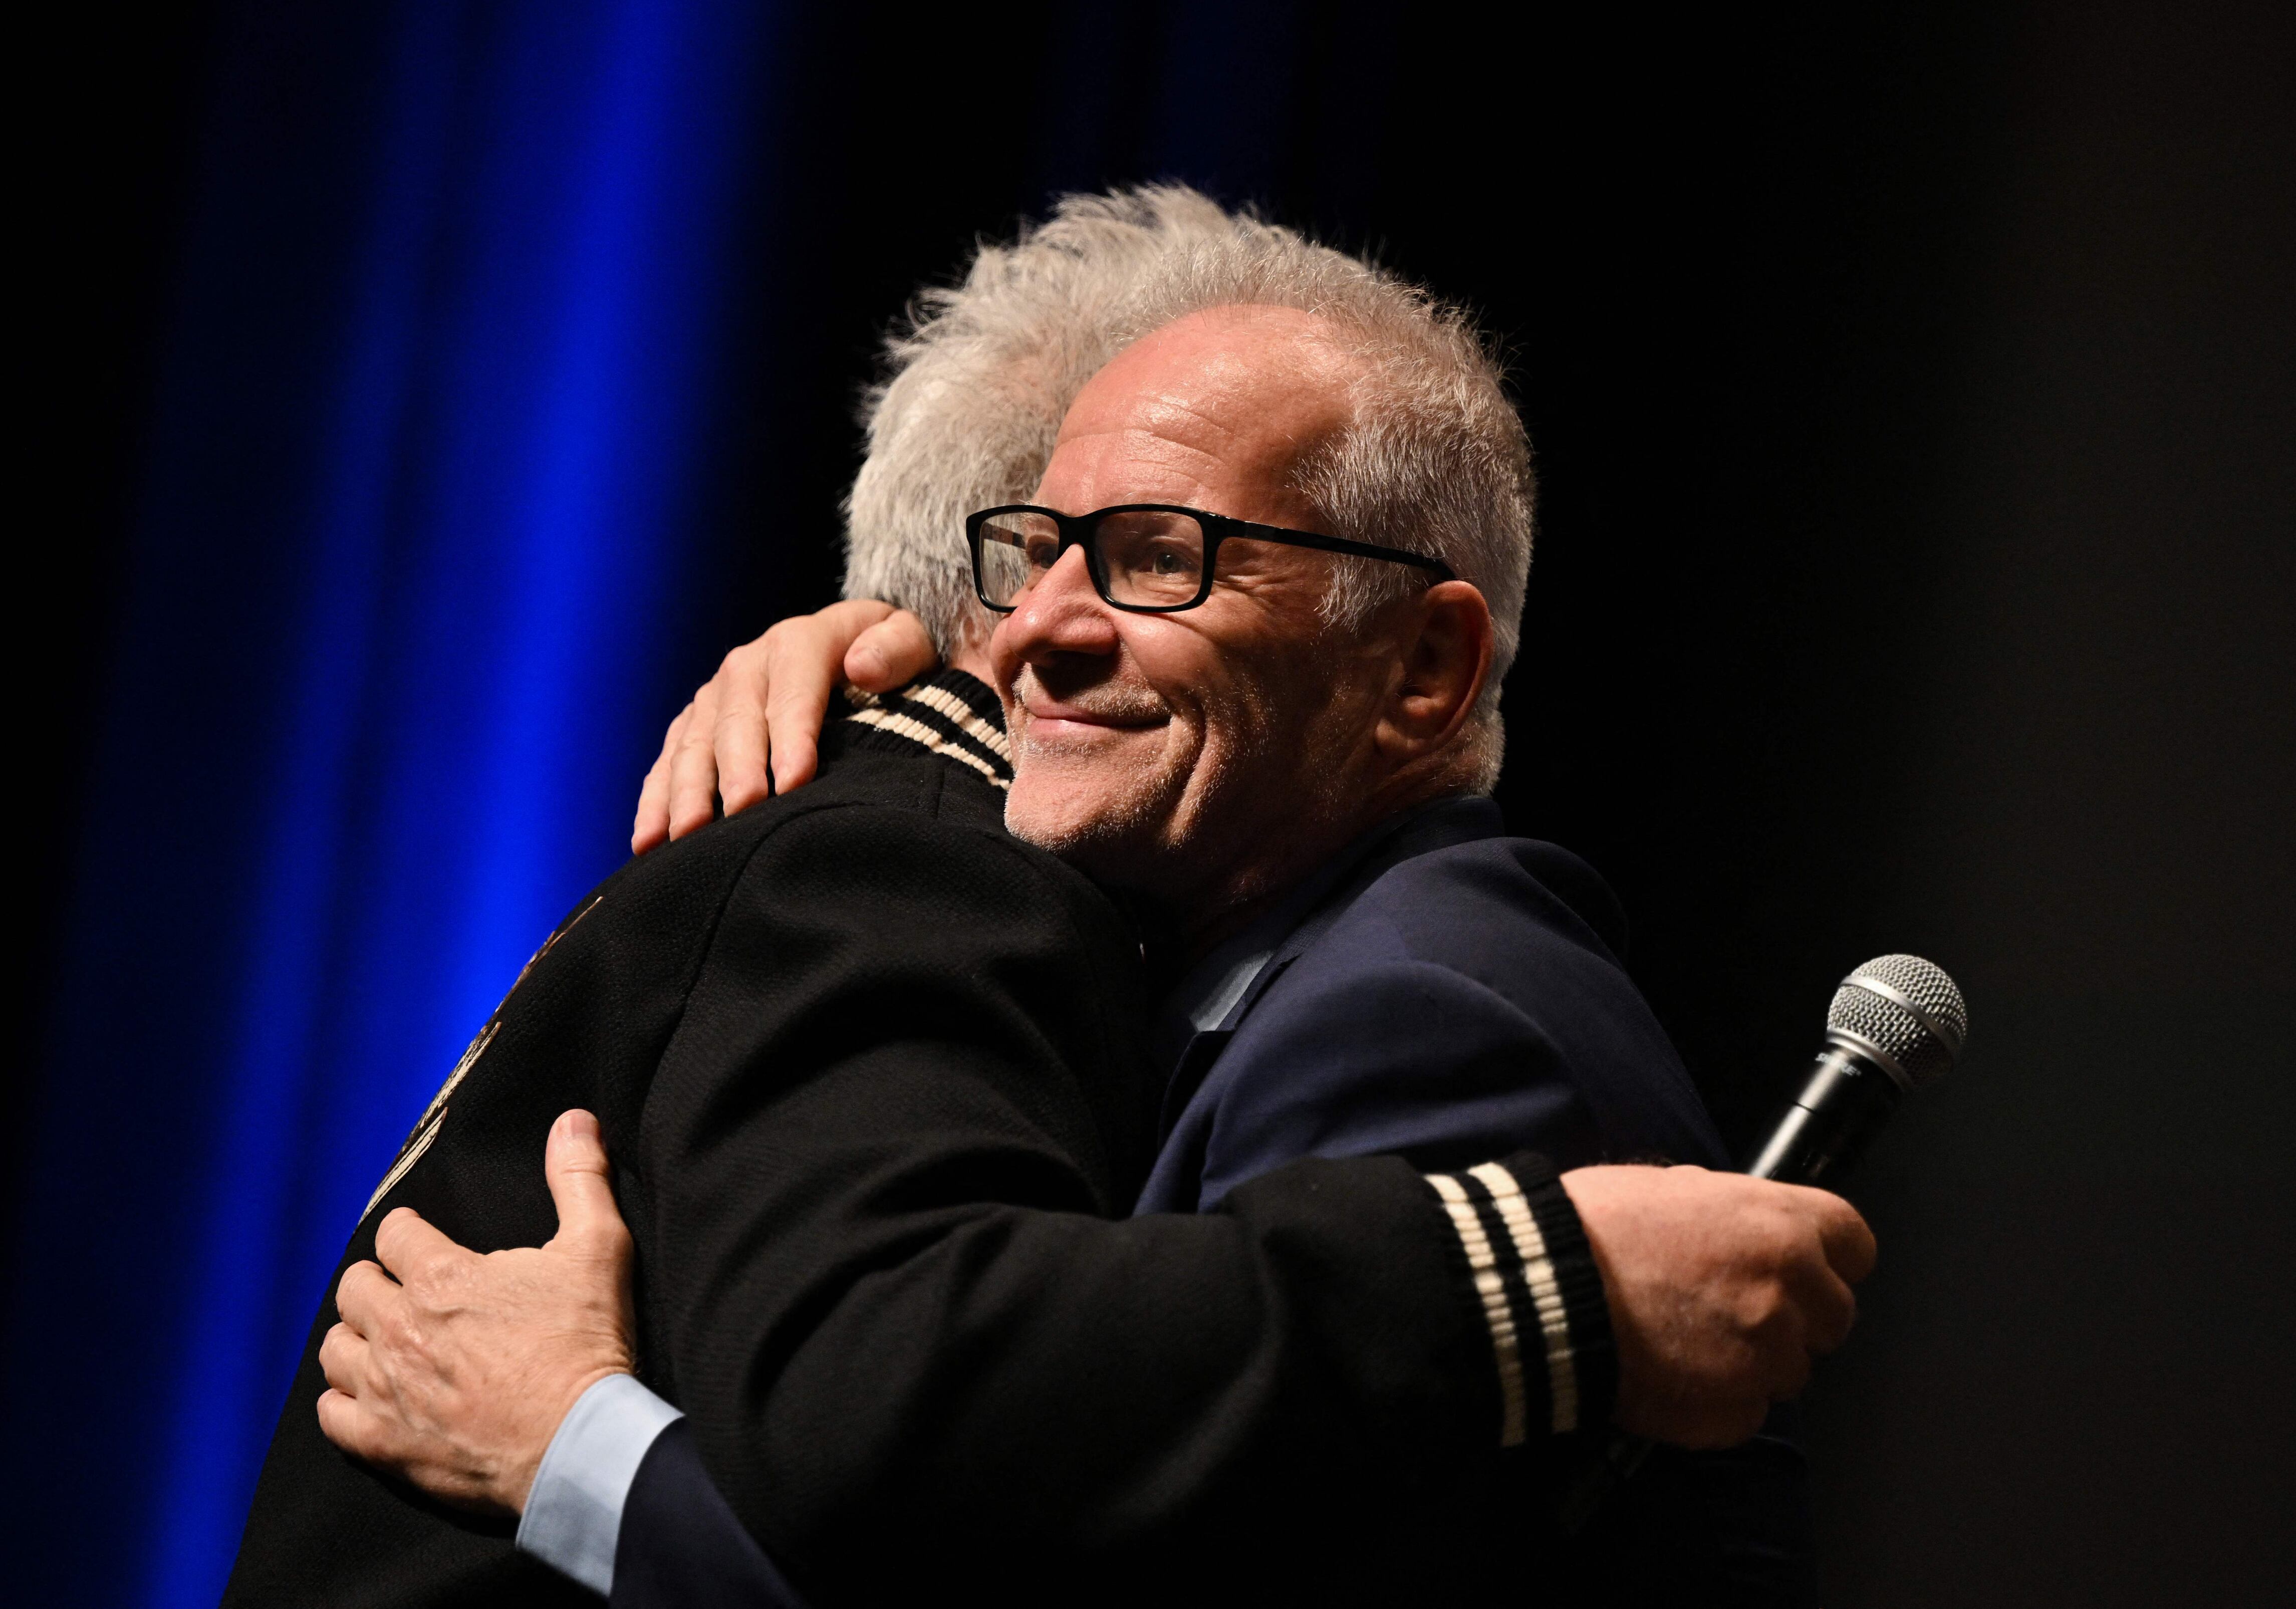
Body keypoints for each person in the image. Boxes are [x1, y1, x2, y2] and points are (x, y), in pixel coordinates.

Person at [259, 188, 1869, 1607]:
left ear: (1424, 668)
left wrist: (579, 1455)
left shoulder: (1426, 1018)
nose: (1039, 628)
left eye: (1160, 554)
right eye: (1029, 556)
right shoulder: (1217, 941)